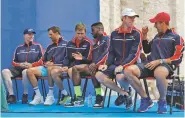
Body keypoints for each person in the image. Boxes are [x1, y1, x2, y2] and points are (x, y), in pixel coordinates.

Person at [124, 12, 184, 113]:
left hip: (165, 66)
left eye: (156, 23)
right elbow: (147, 49)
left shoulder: (177, 38)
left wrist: (160, 61)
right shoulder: (157, 37)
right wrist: (144, 35)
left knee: (159, 73)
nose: (154, 26)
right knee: (128, 70)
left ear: (163, 23)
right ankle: (145, 99)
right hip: (150, 64)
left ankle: (162, 101)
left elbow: (177, 58)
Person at [95, 8, 142, 109]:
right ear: (123, 18)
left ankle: (128, 91)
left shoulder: (137, 33)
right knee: (98, 75)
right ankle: (124, 93)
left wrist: (123, 65)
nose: (133, 20)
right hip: (116, 65)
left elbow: (134, 54)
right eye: (130, 17)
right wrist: (106, 64)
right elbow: (111, 52)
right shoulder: (114, 34)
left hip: (131, 65)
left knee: (119, 77)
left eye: (134, 18)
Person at [27, 26, 68, 105]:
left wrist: (54, 65)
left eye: (51, 34)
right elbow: (44, 59)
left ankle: (50, 95)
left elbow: (68, 59)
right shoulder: (50, 46)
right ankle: (38, 96)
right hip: (48, 68)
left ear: (57, 33)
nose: (49, 36)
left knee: (50, 68)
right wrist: (46, 63)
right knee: (29, 71)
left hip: (60, 68)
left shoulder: (66, 44)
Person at [1, 28, 43, 104]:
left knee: (25, 72)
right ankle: (11, 96)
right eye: (29, 34)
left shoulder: (38, 46)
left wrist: (31, 65)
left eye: (32, 34)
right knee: (4, 72)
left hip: (31, 69)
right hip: (19, 68)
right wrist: (19, 64)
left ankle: (25, 95)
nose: (31, 36)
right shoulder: (19, 48)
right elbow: (13, 61)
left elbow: (42, 60)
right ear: (24, 35)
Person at [57, 23, 93, 107]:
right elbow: (66, 57)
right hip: (72, 67)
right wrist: (65, 65)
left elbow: (90, 59)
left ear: (85, 33)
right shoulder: (69, 43)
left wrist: (82, 58)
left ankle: (78, 97)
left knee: (72, 70)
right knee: (55, 72)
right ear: (75, 32)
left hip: (85, 68)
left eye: (82, 33)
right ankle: (70, 95)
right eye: (78, 33)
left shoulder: (89, 43)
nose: (80, 35)